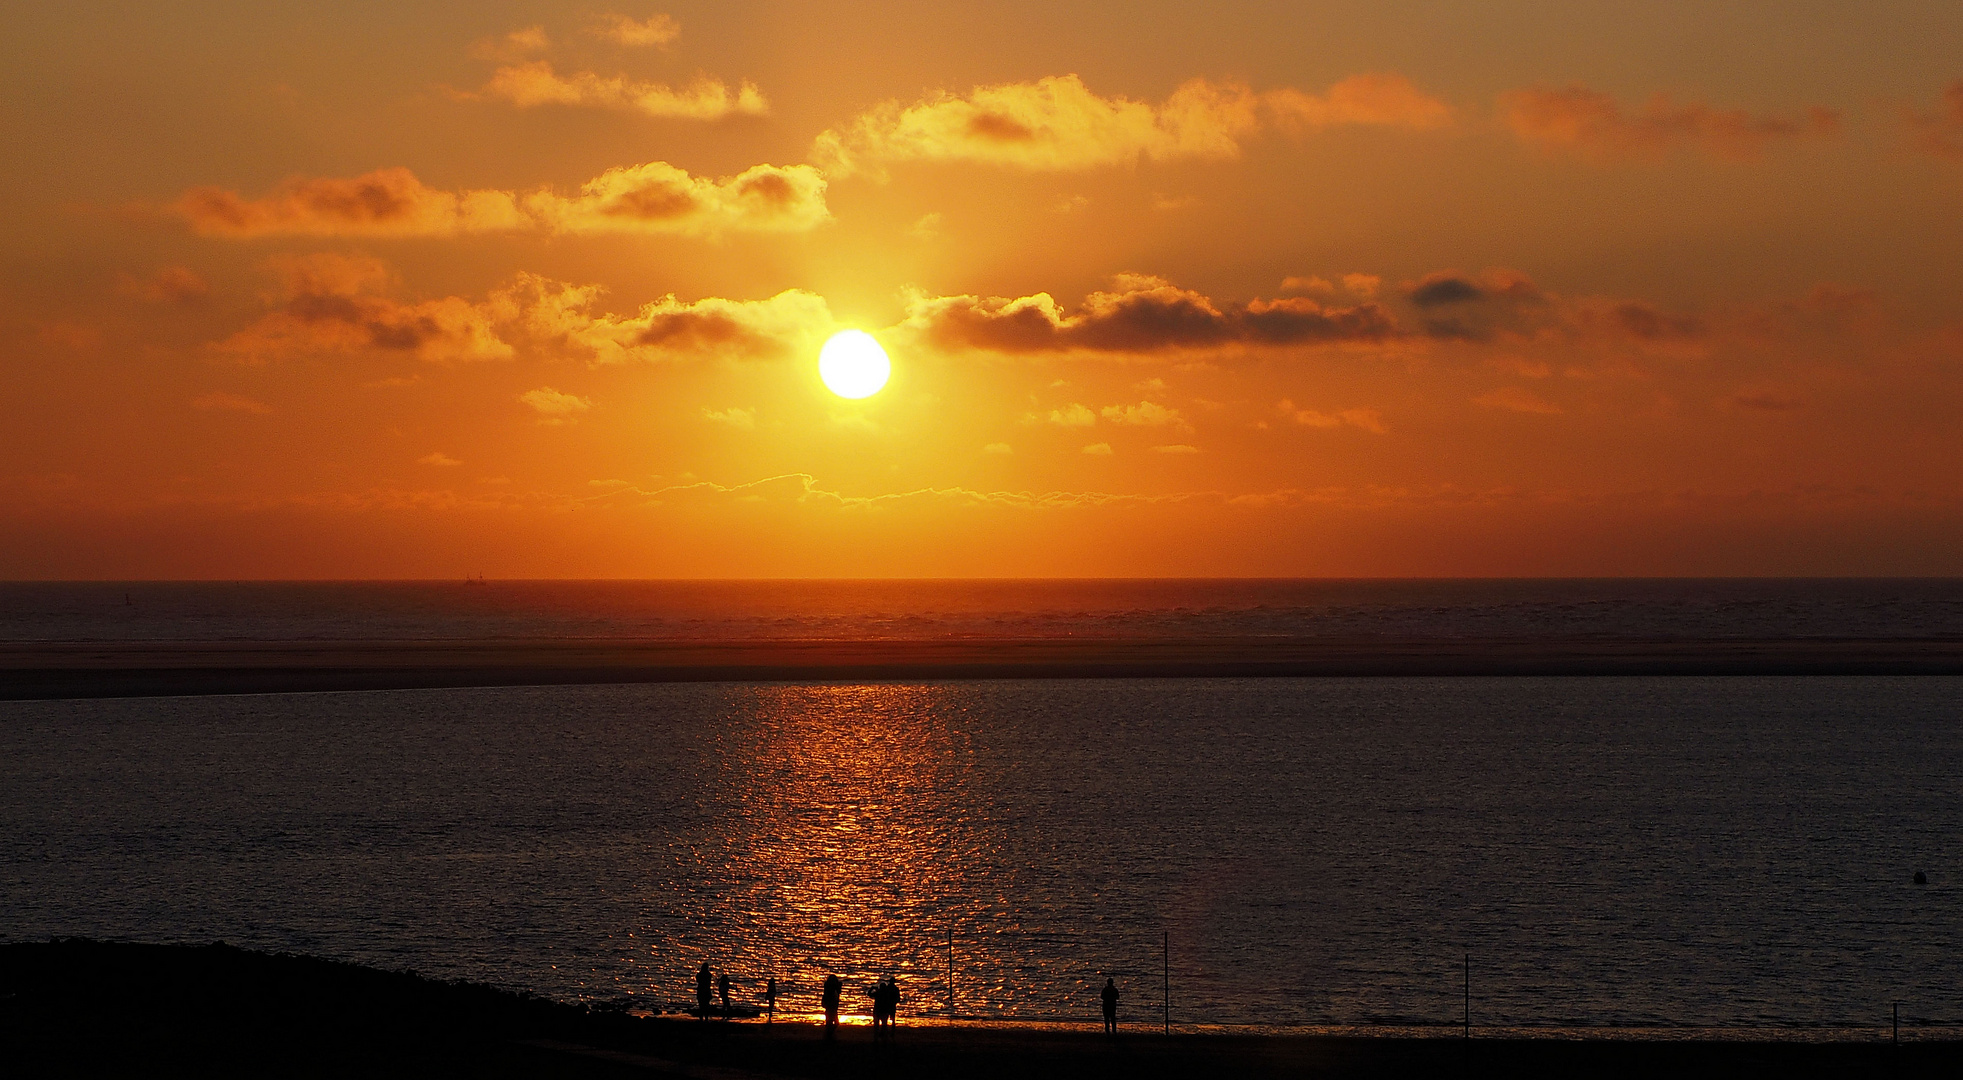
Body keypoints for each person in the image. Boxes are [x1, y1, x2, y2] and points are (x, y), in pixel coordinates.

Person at [822, 973, 842, 1038]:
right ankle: (829, 1034)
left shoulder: (831, 989)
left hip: (831, 1008)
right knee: (831, 1022)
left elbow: (839, 991)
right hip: (831, 1008)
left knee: (830, 1022)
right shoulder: (830, 990)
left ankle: (829, 1034)